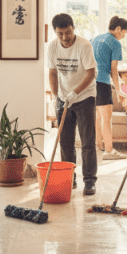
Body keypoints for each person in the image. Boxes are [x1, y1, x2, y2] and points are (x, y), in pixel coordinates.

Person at [47, 13, 98, 196]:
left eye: (67, 32)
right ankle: (70, 178)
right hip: (63, 98)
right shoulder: (53, 47)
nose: (64, 38)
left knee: (87, 141)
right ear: (55, 32)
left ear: (73, 28)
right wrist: (55, 96)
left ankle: (89, 181)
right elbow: (52, 73)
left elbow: (91, 73)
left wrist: (75, 92)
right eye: (60, 33)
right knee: (65, 142)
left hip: (84, 96)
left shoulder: (84, 45)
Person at [91, 16, 127, 161]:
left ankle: (98, 145)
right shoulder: (114, 43)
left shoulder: (95, 39)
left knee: (98, 116)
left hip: (90, 82)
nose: (123, 37)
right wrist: (119, 90)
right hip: (102, 82)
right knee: (107, 119)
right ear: (118, 29)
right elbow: (114, 69)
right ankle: (109, 150)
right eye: (124, 33)